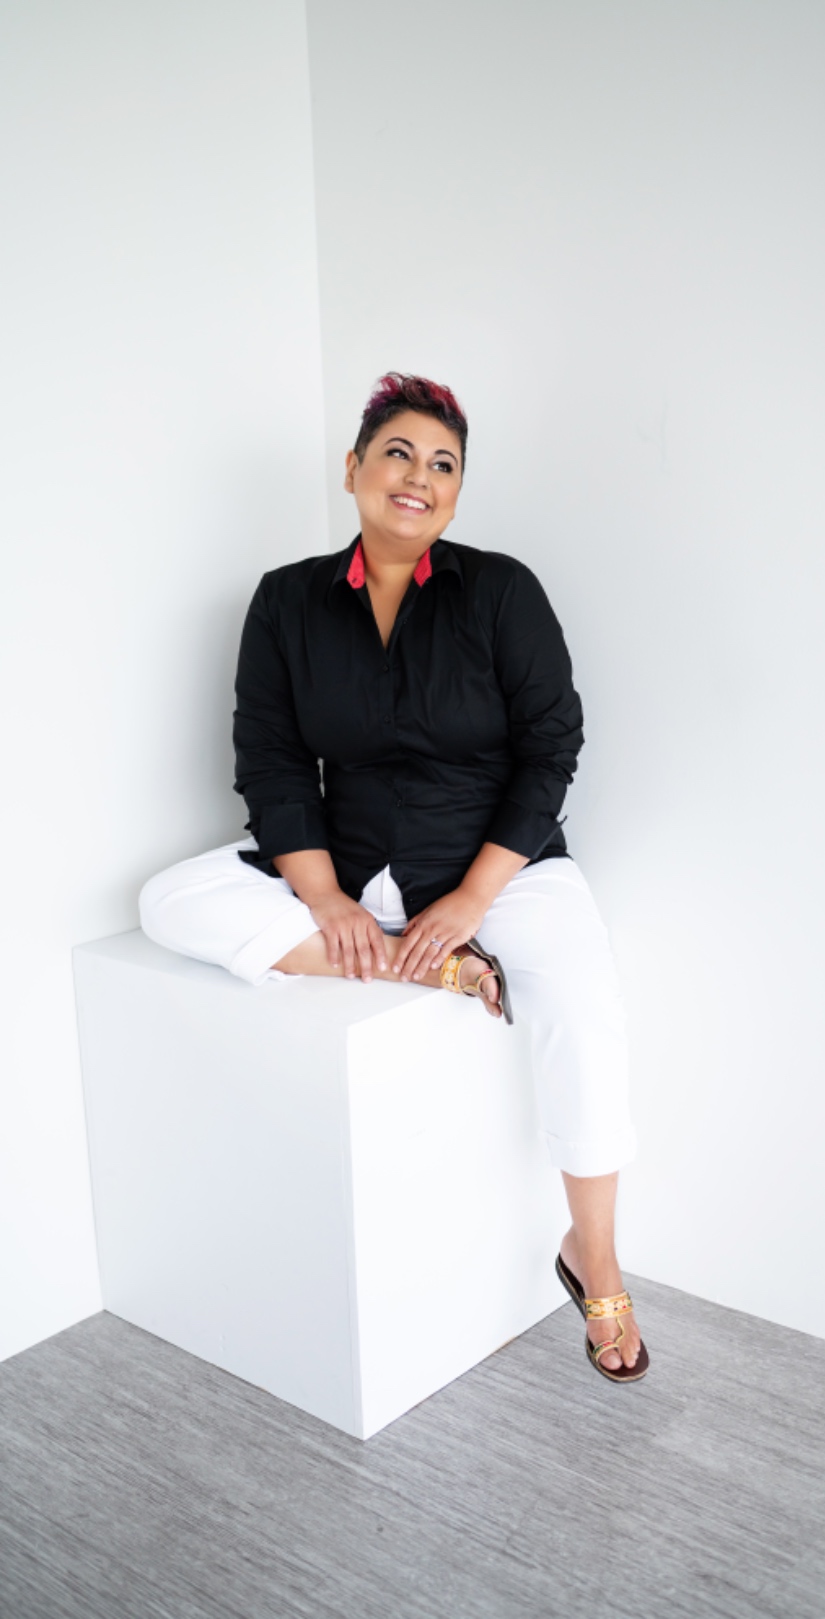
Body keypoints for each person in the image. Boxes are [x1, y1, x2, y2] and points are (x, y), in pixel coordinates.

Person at [140, 373, 647, 1382]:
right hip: (354, 866)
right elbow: (271, 758)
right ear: (355, 469)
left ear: (457, 493)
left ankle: (593, 1249)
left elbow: (553, 747)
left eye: (443, 464)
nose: (419, 477)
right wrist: (324, 897)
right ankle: (421, 970)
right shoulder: (286, 600)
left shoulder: (501, 589)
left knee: (582, 998)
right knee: (167, 900)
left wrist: (469, 901)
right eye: (399, 453)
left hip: (501, 863)